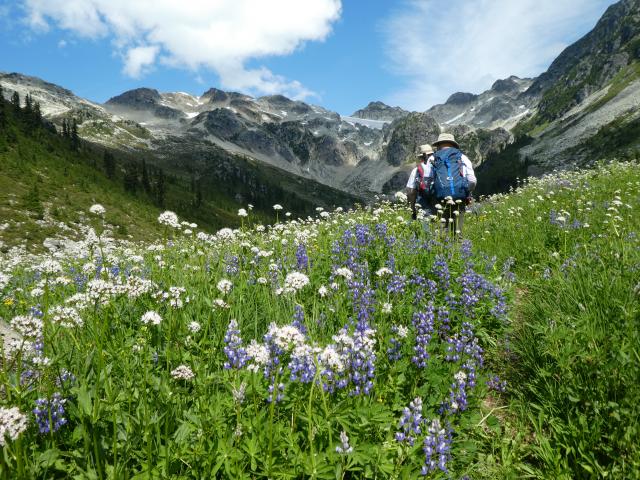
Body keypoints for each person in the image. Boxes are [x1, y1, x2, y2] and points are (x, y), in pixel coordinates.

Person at [424, 133, 476, 235]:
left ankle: (442, 248)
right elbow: (472, 180)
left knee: (441, 233)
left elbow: (426, 182)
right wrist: (467, 192)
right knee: (457, 232)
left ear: (438, 145)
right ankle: (459, 248)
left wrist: (431, 195)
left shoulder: (432, 158)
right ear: (453, 145)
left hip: (439, 199)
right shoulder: (462, 157)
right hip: (459, 197)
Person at [406, 144, 435, 220]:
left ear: (421, 157)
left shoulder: (417, 170)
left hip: (423, 206)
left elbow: (411, 192)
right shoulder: (440, 167)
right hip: (441, 206)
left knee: (424, 230)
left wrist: (413, 209)